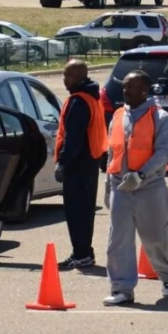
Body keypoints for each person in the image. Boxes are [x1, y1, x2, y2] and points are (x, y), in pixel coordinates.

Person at [102, 70, 168, 306]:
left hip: (150, 187)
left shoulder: (161, 118)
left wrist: (141, 174)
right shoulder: (117, 116)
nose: (125, 91)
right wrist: (108, 185)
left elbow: (165, 152)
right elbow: (112, 153)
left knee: (156, 238)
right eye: (124, 87)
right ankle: (122, 288)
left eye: (130, 87)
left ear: (144, 90)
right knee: (118, 240)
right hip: (120, 188)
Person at [55, 60, 108, 270]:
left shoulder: (79, 101)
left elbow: (73, 137)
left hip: (79, 163)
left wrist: (63, 163)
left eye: (67, 75)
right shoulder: (91, 97)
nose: (64, 79)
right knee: (84, 211)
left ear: (78, 77)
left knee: (77, 211)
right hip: (90, 161)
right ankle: (84, 252)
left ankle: (82, 253)